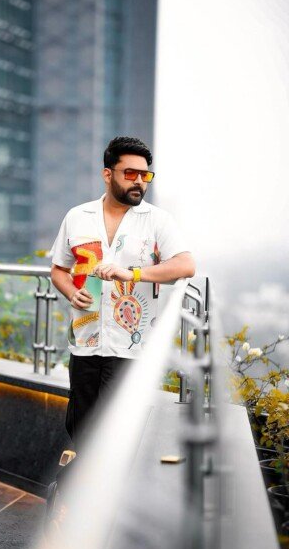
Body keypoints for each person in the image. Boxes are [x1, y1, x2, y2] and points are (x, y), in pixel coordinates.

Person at [50, 136, 195, 452]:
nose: (140, 181)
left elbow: (185, 265)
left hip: (132, 347)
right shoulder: (77, 217)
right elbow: (59, 269)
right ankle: (80, 479)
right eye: (131, 173)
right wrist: (71, 293)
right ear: (108, 174)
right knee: (80, 428)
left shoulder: (157, 220)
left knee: (115, 432)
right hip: (85, 342)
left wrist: (133, 273)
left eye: (145, 175)